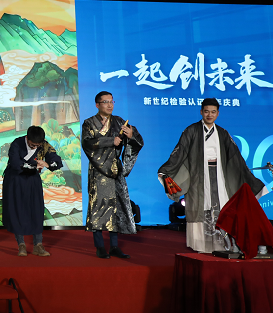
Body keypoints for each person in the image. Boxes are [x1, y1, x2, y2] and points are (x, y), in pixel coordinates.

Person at [158, 98, 269, 253]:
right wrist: (166, 170)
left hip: (219, 174)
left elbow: (235, 157)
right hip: (198, 174)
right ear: (201, 112)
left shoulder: (222, 133)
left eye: (213, 112)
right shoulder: (191, 131)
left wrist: (248, 176)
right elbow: (180, 152)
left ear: (218, 113)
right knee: (200, 206)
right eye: (206, 111)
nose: (209, 115)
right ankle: (201, 245)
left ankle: (223, 245)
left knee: (222, 205)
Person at [82, 91, 143, 259]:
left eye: (111, 101)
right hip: (98, 170)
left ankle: (114, 246)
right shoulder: (89, 123)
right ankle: (100, 246)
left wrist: (131, 135)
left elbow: (136, 140)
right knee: (98, 207)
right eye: (105, 102)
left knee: (116, 207)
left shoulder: (118, 121)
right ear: (97, 105)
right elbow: (87, 143)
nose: (109, 105)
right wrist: (110, 141)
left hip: (116, 171)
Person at [3, 125, 63, 257]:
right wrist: (35, 164)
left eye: (37, 145)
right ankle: (21, 244)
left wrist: (48, 164)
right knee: (18, 210)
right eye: (32, 145)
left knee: (36, 210)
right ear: (27, 138)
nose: (35, 147)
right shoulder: (17, 143)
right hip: (16, 179)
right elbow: (15, 162)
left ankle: (38, 244)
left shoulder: (44, 145)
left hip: (32, 180)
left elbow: (56, 160)